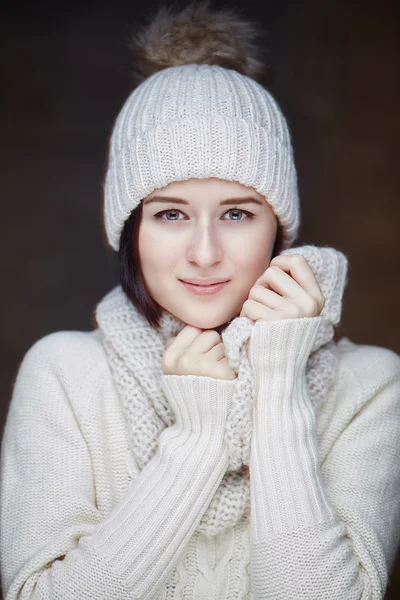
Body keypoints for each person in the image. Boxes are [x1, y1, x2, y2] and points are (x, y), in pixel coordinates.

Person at [1, 1, 400, 598]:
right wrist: (195, 442)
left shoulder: (372, 385)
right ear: (130, 229)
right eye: (170, 214)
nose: (205, 252)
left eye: (237, 213)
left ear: (278, 229)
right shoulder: (64, 374)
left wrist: (278, 376)